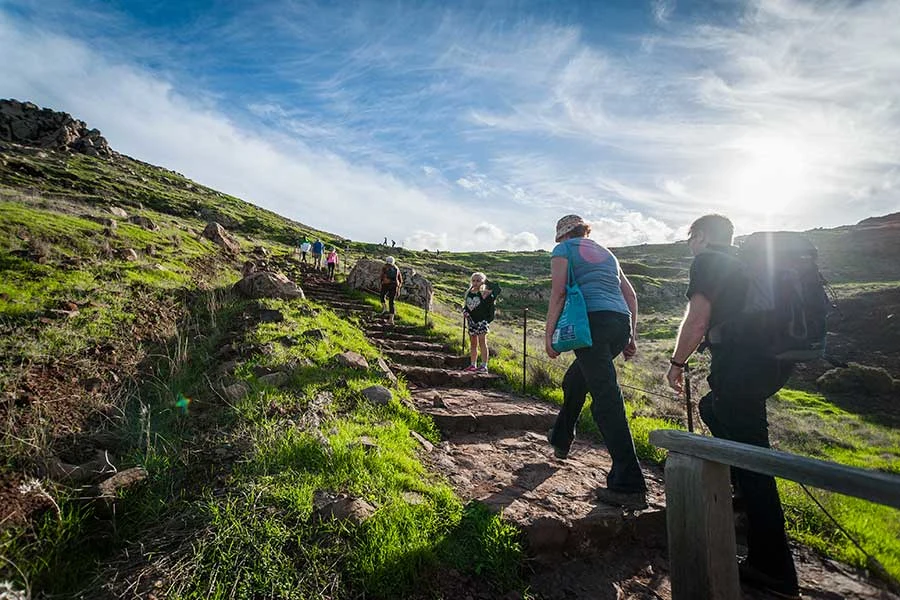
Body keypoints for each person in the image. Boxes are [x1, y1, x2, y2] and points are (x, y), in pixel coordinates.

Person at [666, 214, 799, 599]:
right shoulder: (745, 263)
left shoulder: (708, 261)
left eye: (692, 237)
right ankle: (740, 503)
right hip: (766, 366)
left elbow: (697, 320)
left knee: (755, 463)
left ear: (703, 236)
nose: (691, 244)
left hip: (740, 368)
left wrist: (676, 364)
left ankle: (773, 568)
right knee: (715, 411)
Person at [544, 214, 645, 509]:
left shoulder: (563, 250)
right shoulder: (608, 253)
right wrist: (631, 337)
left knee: (606, 397)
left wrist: (549, 335)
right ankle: (561, 438)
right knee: (575, 380)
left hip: (591, 324)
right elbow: (631, 295)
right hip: (619, 323)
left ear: (563, 235)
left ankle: (629, 483)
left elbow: (559, 292)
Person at [462, 272, 501, 373]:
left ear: (482, 281)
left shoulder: (485, 293)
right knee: (473, 343)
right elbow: (466, 306)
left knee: (482, 342)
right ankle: (473, 365)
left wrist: (486, 281)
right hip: (471, 321)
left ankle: (484, 366)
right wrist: (465, 311)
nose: (475, 283)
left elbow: (497, 288)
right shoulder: (469, 293)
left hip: (482, 321)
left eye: (478, 280)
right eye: (474, 280)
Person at [379, 256, 403, 325]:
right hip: (394, 286)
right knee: (391, 302)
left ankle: (384, 308)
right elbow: (400, 279)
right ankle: (391, 319)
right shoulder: (397, 268)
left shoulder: (385, 267)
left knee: (382, 296)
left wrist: (382, 281)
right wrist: (398, 288)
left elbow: (382, 276)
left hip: (386, 285)